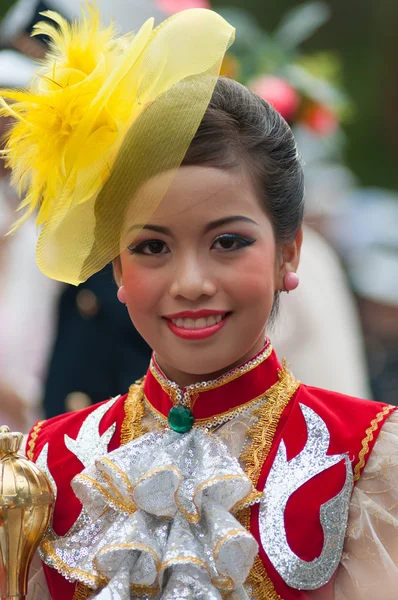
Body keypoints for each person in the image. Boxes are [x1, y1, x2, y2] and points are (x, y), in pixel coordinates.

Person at [1, 5, 397, 600]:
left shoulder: (369, 462)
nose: (190, 281)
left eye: (228, 242)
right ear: (117, 268)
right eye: (153, 246)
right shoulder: (44, 467)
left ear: (290, 254)